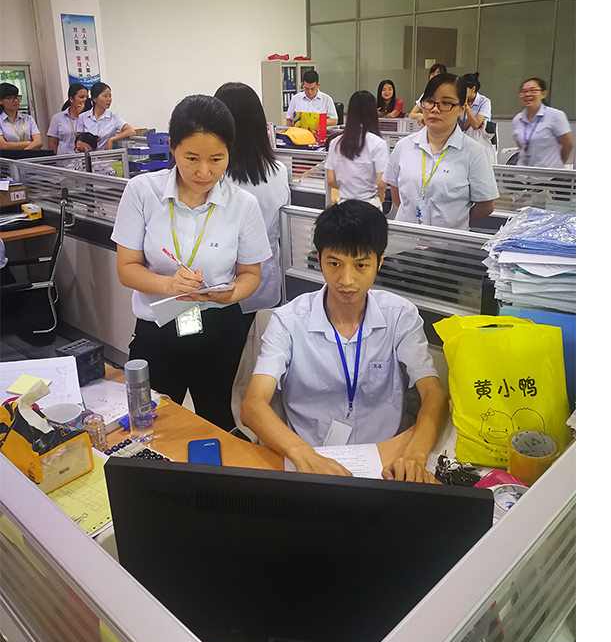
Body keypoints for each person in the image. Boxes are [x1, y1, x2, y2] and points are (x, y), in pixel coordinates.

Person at [241, 200, 447, 482]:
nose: (346, 280)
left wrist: (414, 457)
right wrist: (305, 456)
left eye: (361, 265)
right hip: (310, 457)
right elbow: (253, 404)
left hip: (385, 458)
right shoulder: (288, 321)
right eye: (334, 263)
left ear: (379, 262)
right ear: (319, 258)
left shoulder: (400, 315)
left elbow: (434, 394)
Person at [112, 95, 272, 431]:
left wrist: (230, 294)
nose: (204, 171)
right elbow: (127, 268)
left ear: (230, 151)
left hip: (219, 331)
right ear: (172, 147)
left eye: (216, 159)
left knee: (222, 426)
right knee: (152, 426)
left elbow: (250, 274)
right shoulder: (142, 192)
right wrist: (169, 284)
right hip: (157, 331)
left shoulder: (243, 204)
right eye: (192, 158)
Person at [213, 82, 291, 333]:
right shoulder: (279, 172)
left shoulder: (214, 178)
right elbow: (283, 231)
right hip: (266, 288)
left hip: (223, 293)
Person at [384, 72, 498, 230]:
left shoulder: (475, 153)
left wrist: (456, 224)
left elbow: (485, 206)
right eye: (430, 101)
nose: (435, 109)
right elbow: (398, 196)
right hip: (405, 238)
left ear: (461, 108)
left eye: (446, 103)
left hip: (448, 241)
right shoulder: (403, 146)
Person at [326, 90, 389, 207]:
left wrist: (348, 190)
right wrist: (380, 196)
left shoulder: (335, 143)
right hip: (369, 205)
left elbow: (330, 179)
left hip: (344, 205)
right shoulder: (378, 143)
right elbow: (381, 182)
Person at [512, 77, 573, 168]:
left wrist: (556, 165)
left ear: (543, 94)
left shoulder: (555, 115)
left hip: (548, 173)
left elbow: (568, 145)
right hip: (523, 173)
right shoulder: (517, 119)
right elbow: (521, 146)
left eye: (533, 90)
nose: (527, 94)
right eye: (524, 91)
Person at [79, 81, 135, 149]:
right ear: (95, 99)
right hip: (88, 154)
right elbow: (79, 140)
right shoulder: (82, 117)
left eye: (110, 96)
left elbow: (131, 131)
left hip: (107, 154)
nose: (109, 99)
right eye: (105, 96)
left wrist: (112, 139)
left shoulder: (114, 117)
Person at [458, 72, 493, 157]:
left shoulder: (484, 102)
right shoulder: (458, 101)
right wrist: (472, 121)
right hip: (462, 142)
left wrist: (466, 106)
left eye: (463, 89)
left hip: (479, 142)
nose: (460, 92)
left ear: (473, 89)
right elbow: (461, 126)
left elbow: (476, 125)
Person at [47, 84, 88, 155]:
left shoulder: (88, 117)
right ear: (71, 99)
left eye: (87, 97)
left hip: (83, 158)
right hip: (64, 159)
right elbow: (53, 143)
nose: (85, 100)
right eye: (81, 97)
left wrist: (82, 114)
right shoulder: (58, 118)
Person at [0, 83, 42, 150]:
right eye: (10, 98)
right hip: (7, 156)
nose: (16, 100)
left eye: (17, 97)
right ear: (1, 101)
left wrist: (24, 152)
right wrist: (27, 143)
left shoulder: (28, 118)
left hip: (30, 155)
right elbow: (3, 145)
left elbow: (38, 142)